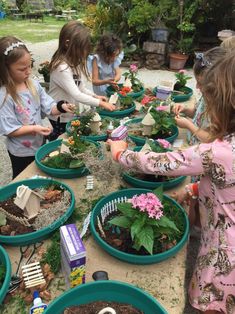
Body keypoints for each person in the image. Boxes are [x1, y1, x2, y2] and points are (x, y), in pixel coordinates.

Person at [108, 51, 235, 313]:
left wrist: (122, 153)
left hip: (224, 250)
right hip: (224, 237)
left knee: (209, 302)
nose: (207, 111)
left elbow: (164, 163)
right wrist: (196, 188)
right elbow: (228, 184)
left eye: (210, 105)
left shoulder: (216, 150)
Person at [0, 36, 74, 178]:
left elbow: (48, 105)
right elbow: (10, 129)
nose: (28, 71)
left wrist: (61, 107)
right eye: (22, 69)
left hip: (39, 144)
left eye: (30, 65)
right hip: (21, 151)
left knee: (39, 175)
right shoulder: (4, 96)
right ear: (5, 70)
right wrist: (34, 128)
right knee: (23, 177)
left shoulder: (33, 84)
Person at [48, 21, 115, 140]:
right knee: (61, 142)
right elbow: (77, 94)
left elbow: (81, 87)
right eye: (83, 48)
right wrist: (101, 103)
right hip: (60, 116)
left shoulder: (75, 62)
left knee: (72, 141)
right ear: (68, 43)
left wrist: (95, 96)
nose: (86, 52)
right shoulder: (61, 68)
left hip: (70, 113)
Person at [174, 46, 227, 146]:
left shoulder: (221, 110)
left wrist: (188, 125)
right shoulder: (206, 97)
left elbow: (209, 139)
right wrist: (185, 109)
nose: (197, 86)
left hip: (202, 151)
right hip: (193, 142)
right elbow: (198, 114)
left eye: (201, 83)